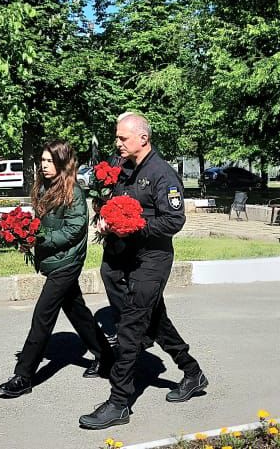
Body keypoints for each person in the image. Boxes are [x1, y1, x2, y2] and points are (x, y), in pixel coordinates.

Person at [79, 112, 206, 430]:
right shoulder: (120, 169)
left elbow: (174, 221)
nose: (117, 142)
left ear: (143, 139)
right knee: (152, 319)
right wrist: (105, 216)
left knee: (131, 327)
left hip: (152, 260)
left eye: (123, 137)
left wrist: (133, 226)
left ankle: (119, 403)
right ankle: (192, 372)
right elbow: (112, 201)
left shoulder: (163, 174)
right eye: (117, 137)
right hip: (121, 257)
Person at [0, 140, 113, 398]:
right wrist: (24, 235)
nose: (44, 165)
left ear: (63, 162)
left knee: (42, 316)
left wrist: (39, 237)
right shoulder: (45, 187)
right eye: (43, 160)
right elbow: (41, 223)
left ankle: (23, 376)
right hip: (54, 258)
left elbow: (73, 230)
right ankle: (107, 356)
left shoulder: (74, 193)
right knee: (77, 311)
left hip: (67, 261)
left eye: (49, 161)